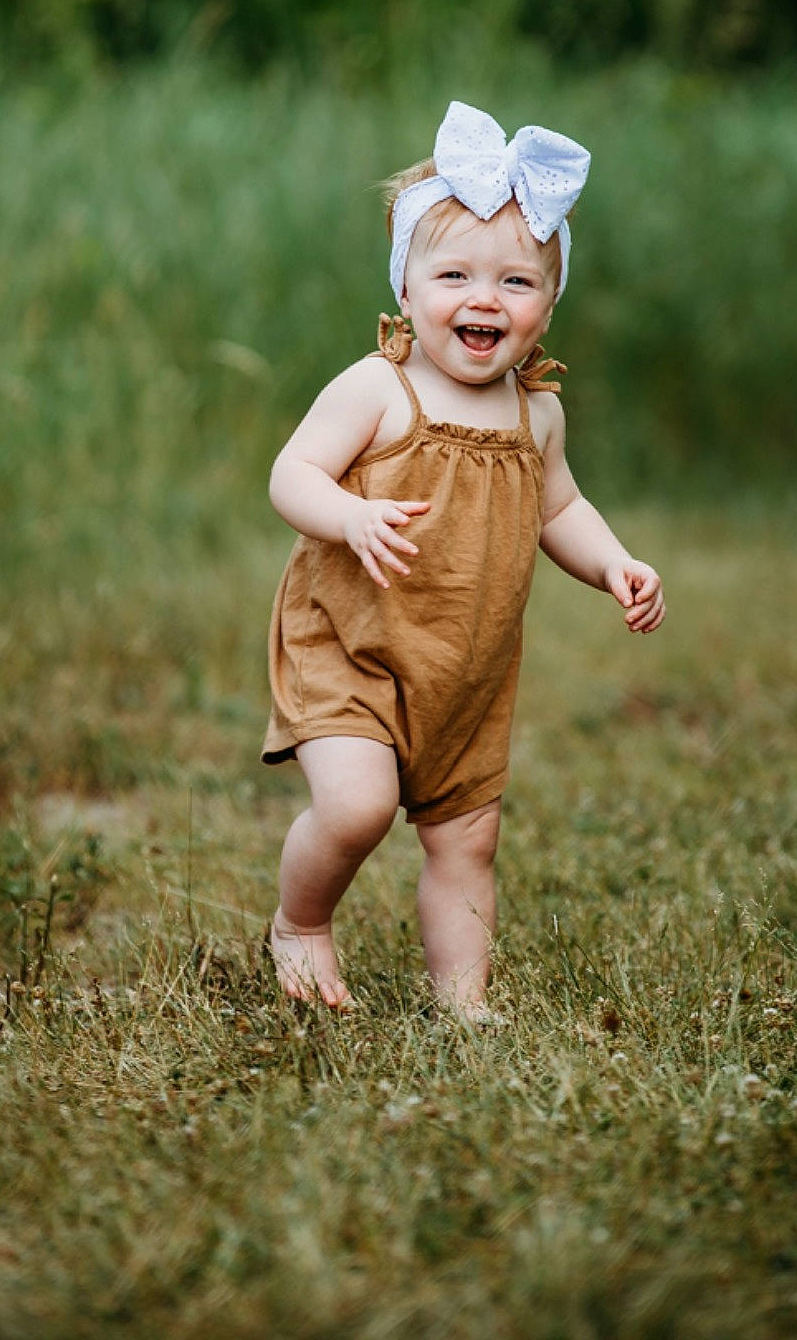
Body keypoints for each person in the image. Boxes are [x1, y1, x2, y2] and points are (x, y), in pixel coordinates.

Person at [261, 100, 665, 1019]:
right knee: (358, 808)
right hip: (353, 649)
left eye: (517, 282)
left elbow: (559, 506)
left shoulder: (539, 414)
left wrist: (613, 564)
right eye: (453, 274)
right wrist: (348, 515)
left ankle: (465, 1003)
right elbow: (292, 474)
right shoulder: (380, 387)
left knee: (467, 843)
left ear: (549, 304)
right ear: (405, 288)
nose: (485, 299)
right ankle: (302, 922)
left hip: (466, 674)